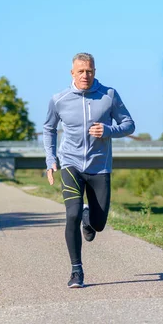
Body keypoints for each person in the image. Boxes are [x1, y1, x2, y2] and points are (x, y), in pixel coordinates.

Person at [43, 52, 135, 288]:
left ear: (95, 71)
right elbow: (49, 129)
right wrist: (51, 159)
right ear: (72, 73)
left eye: (90, 71)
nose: (86, 75)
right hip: (71, 164)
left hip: (99, 167)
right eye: (81, 71)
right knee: (71, 214)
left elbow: (129, 124)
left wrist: (108, 130)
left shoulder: (109, 96)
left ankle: (89, 218)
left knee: (99, 223)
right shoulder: (59, 99)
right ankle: (76, 271)